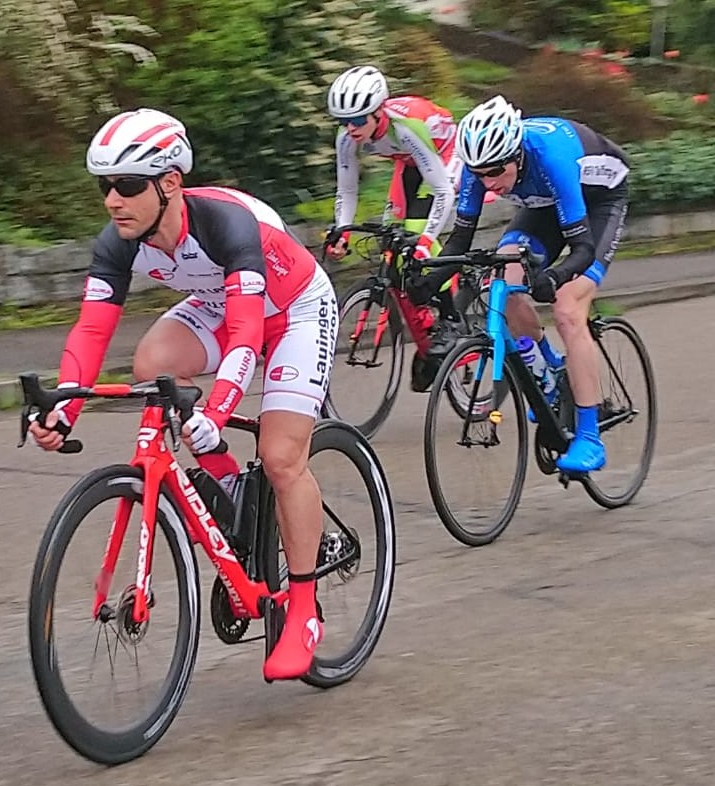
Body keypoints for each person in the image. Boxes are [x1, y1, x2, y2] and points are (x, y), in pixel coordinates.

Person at [27, 108, 338, 681]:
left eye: (126, 186)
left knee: (280, 457)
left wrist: (217, 412)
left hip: (293, 311)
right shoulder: (119, 242)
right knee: (152, 365)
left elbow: (249, 333)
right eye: (105, 186)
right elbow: (92, 330)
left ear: (170, 182)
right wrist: (63, 408)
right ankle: (226, 491)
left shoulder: (225, 223)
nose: (111, 201)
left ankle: (301, 610)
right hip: (223, 306)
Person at [439, 95, 631, 473]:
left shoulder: (551, 156)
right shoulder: (480, 169)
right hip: (544, 204)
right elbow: (459, 242)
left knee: (567, 308)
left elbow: (582, 248)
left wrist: (555, 276)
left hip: (599, 202)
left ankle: (589, 438)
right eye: (480, 174)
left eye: (496, 171)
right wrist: (428, 278)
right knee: (503, 283)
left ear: (517, 155)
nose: (489, 182)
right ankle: (550, 370)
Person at [324, 64, 465, 391]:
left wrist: (425, 239)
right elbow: (346, 190)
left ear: (378, 112)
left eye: (359, 120)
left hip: (445, 156)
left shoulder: (405, 128)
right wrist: (342, 229)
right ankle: (424, 332)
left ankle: (450, 318)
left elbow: (442, 190)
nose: (351, 128)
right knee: (392, 239)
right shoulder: (348, 137)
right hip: (410, 163)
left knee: (416, 233)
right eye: (343, 121)